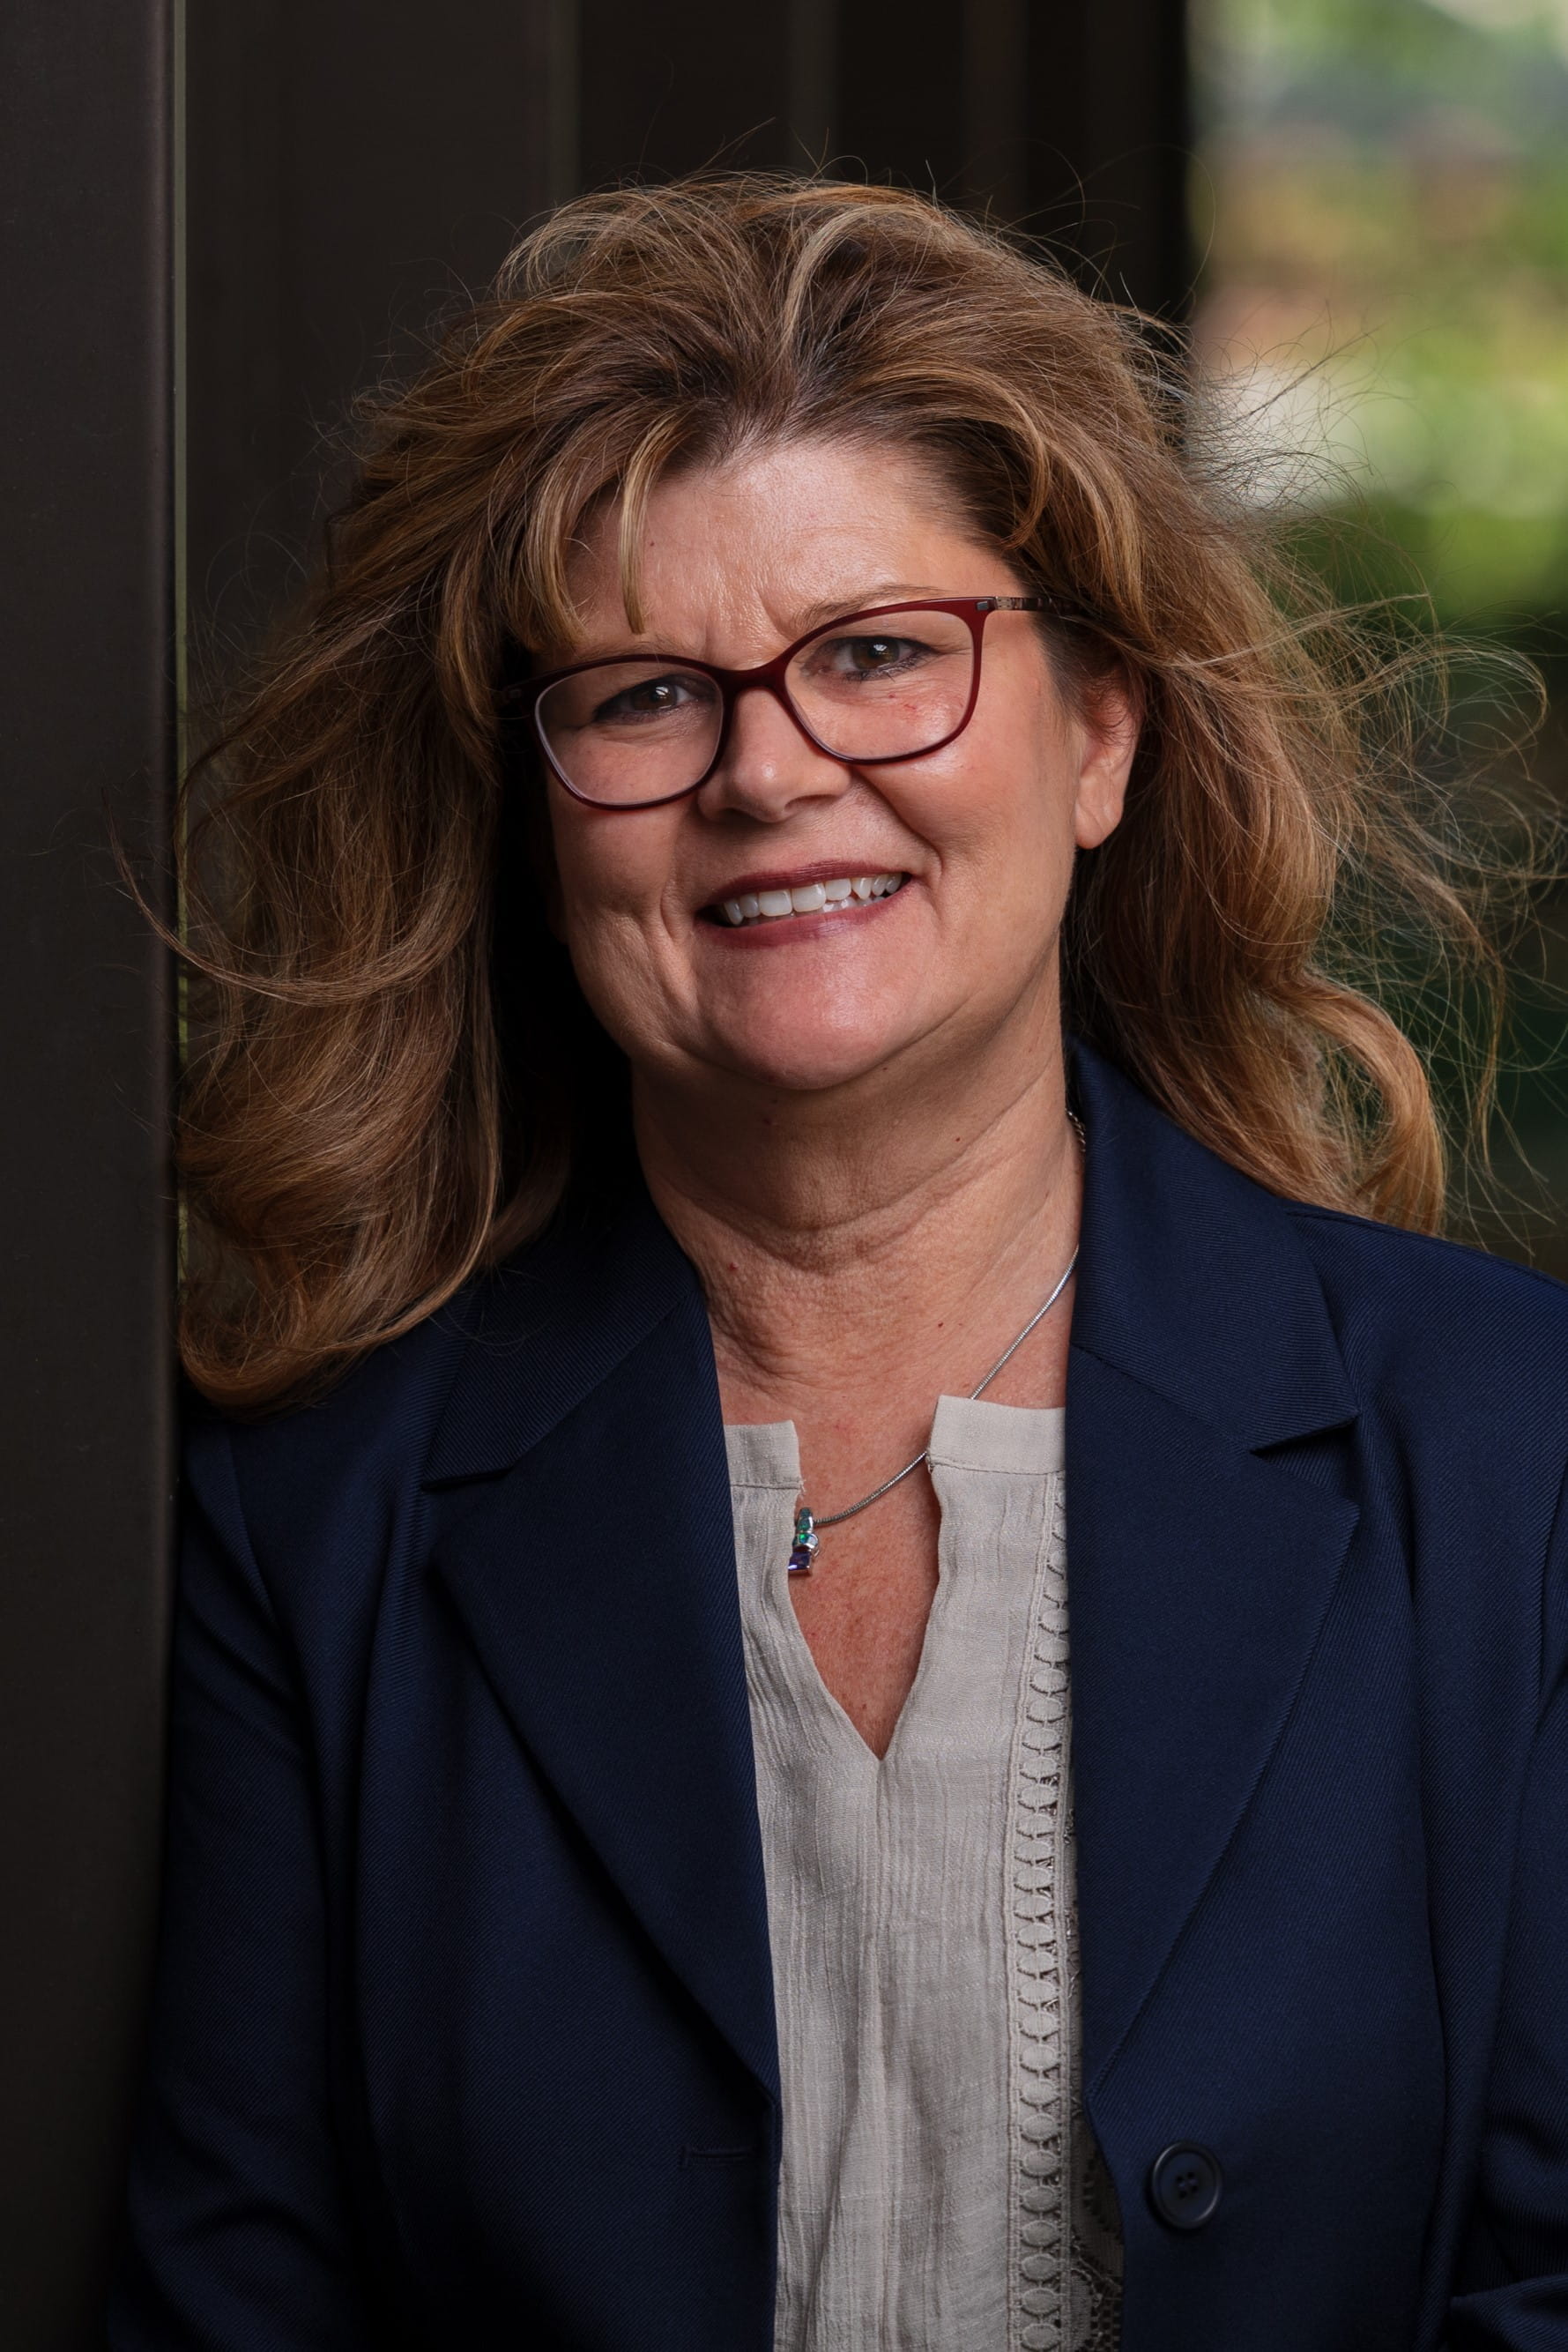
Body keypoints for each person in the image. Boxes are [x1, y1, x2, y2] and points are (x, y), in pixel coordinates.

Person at [108, 175, 1568, 2352]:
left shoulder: (1508, 1444)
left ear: (1097, 733)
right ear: (536, 813)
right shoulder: (319, 1512)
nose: (770, 770)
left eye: (878, 653)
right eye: (639, 694)